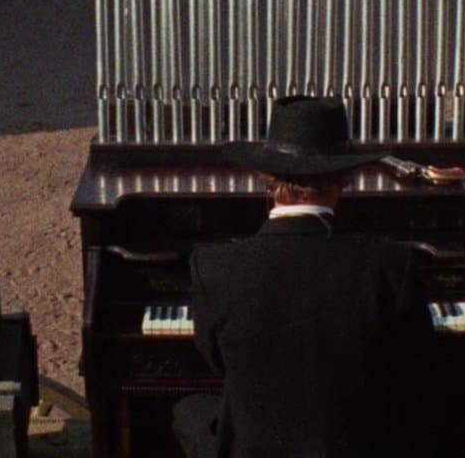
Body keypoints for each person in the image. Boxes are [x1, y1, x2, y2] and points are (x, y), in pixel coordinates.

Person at [173, 96, 434, 458]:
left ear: (266, 177)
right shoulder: (392, 264)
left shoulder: (214, 268)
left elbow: (220, 361)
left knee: (188, 411)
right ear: (344, 179)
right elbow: (417, 363)